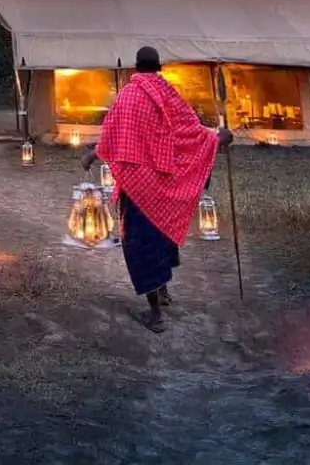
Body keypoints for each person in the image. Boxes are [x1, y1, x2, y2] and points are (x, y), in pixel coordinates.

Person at [83, 45, 232, 332]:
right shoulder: (170, 94)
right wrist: (217, 137)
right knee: (161, 239)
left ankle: (155, 315)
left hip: (138, 186)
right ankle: (163, 293)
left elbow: (113, 133)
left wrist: (91, 154)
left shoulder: (129, 95)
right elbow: (191, 130)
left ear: (136, 67)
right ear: (160, 66)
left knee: (140, 246)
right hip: (163, 187)